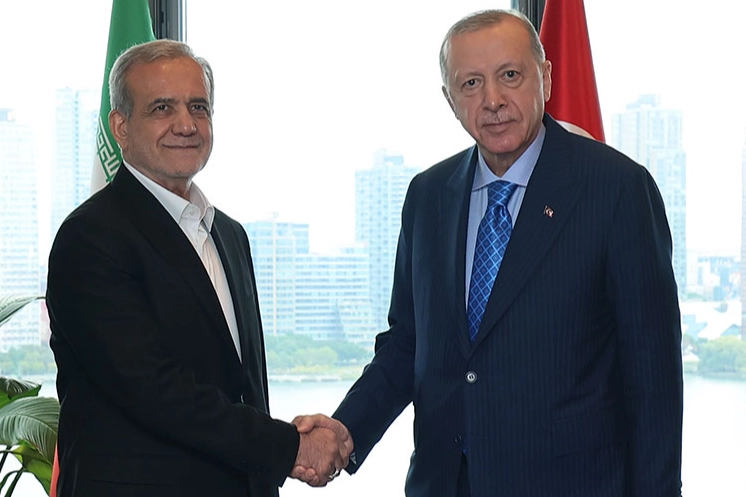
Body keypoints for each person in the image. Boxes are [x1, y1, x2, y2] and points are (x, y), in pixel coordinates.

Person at [295, 8, 683, 497]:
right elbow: (407, 345)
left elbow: (653, 380)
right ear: (450, 99)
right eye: (472, 83)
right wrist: (345, 430)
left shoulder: (617, 189)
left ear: (545, 78)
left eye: (510, 75)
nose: (493, 100)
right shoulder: (428, 196)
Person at [46, 39, 351, 497]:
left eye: (198, 107)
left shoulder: (229, 234)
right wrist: (291, 447)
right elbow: (155, 390)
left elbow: (244, 388)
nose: (186, 124)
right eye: (162, 108)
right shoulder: (91, 237)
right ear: (121, 127)